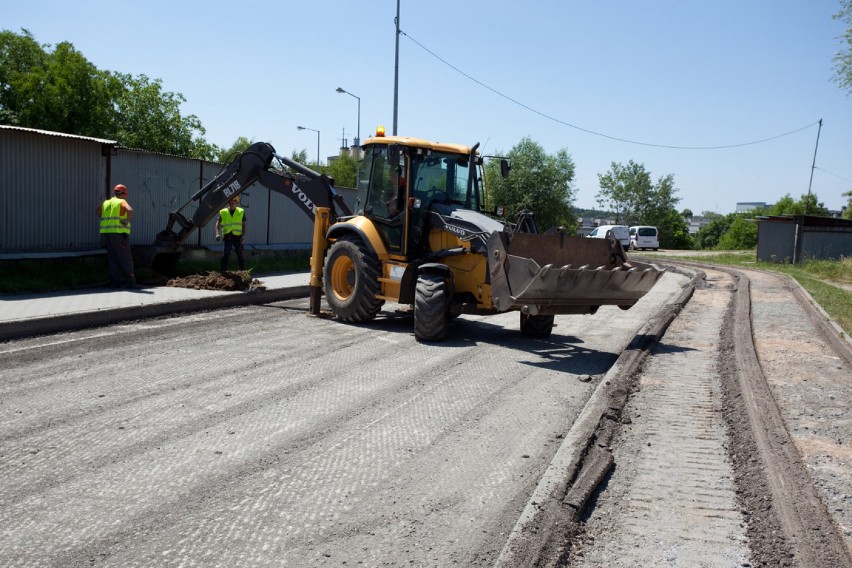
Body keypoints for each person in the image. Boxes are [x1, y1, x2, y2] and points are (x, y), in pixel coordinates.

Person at [97, 183, 137, 288]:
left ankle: (114, 282)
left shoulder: (106, 203)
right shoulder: (121, 202)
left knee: (113, 258)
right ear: (123, 194)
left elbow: (98, 212)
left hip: (108, 234)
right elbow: (130, 210)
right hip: (120, 234)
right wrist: (126, 220)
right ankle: (130, 282)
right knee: (125, 257)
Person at [215, 196, 246, 272]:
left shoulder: (241, 211)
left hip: (237, 237)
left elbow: (243, 225)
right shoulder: (223, 212)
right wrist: (217, 233)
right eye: (230, 202)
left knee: (240, 254)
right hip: (228, 236)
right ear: (228, 203)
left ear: (237, 203)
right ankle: (223, 272)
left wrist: (243, 236)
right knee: (226, 253)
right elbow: (217, 223)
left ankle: (244, 272)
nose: (232, 203)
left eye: (234, 202)